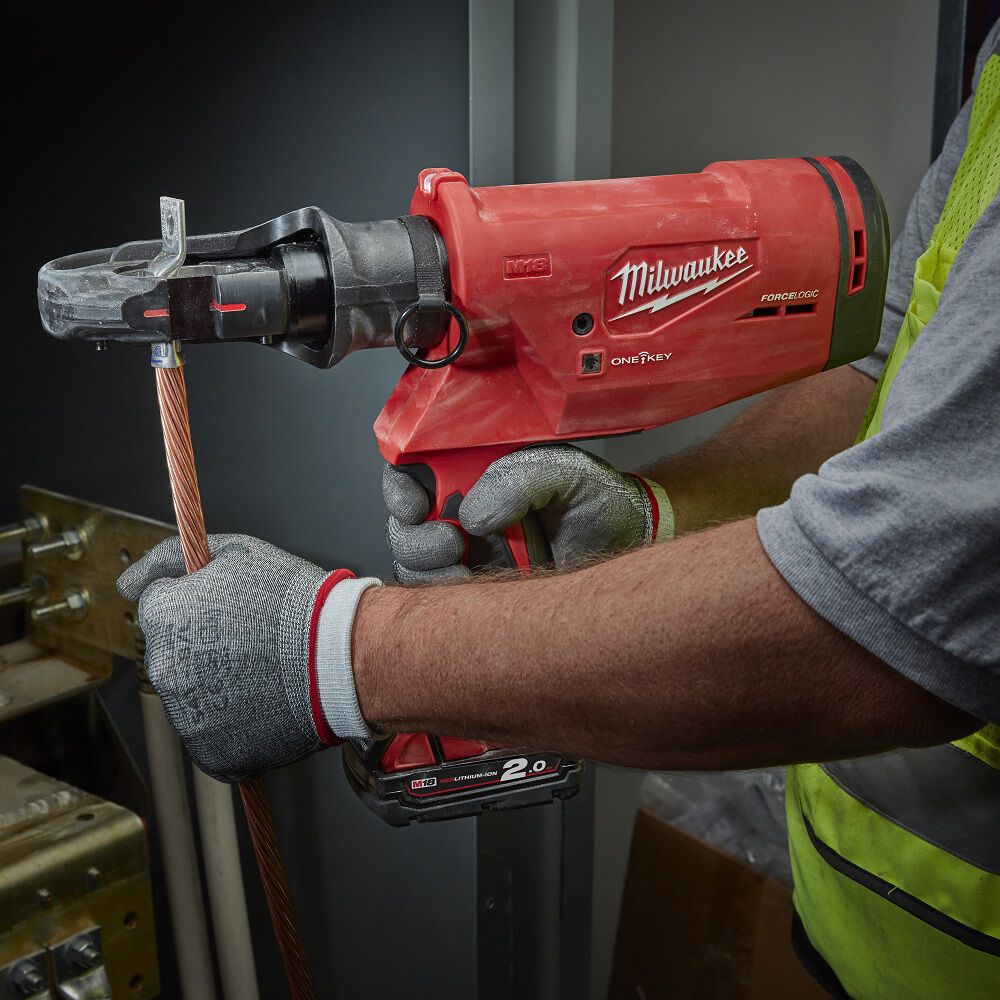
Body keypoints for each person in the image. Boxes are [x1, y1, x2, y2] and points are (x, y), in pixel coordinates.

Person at [119, 21, 999, 998]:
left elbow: (883, 631)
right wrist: (659, 515)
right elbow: (887, 379)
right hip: (851, 933)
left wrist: (333, 656)